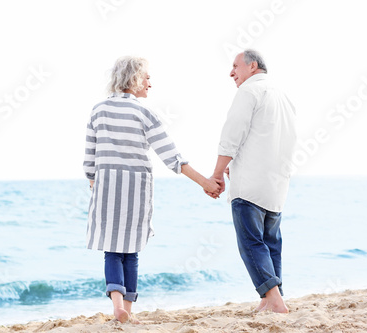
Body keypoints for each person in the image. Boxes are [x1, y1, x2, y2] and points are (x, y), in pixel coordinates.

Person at [83, 56, 221, 323]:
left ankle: (117, 307)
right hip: (137, 188)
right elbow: (172, 156)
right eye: (146, 77)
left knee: (112, 250)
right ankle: (129, 310)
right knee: (131, 250)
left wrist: (92, 181)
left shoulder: (98, 110)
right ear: (133, 80)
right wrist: (204, 182)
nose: (150, 83)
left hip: (107, 187)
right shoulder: (144, 113)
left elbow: (90, 157)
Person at [207, 49, 297, 313]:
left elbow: (232, 133)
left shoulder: (249, 91)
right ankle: (270, 299)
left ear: (253, 66)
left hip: (251, 184)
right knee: (271, 243)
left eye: (235, 66)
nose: (231, 72)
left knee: (251, 242)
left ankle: (276, 301)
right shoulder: (283, 96)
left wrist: (217, 173)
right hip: (277, 184)